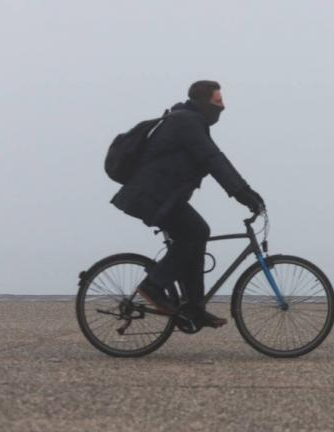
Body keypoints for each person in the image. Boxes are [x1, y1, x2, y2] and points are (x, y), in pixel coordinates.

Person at [111, 80, 265, 328]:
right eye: (218, 102)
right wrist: (244, 194)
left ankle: (194, 308)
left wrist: (242, 192)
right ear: (203, 103)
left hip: (163, 197)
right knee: (196, 232)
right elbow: (213, 159)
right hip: (151, 197)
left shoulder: (189, 120)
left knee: (196, 236)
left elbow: (211, 160)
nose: (223, 107)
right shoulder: (187, 122)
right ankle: (153, 286)